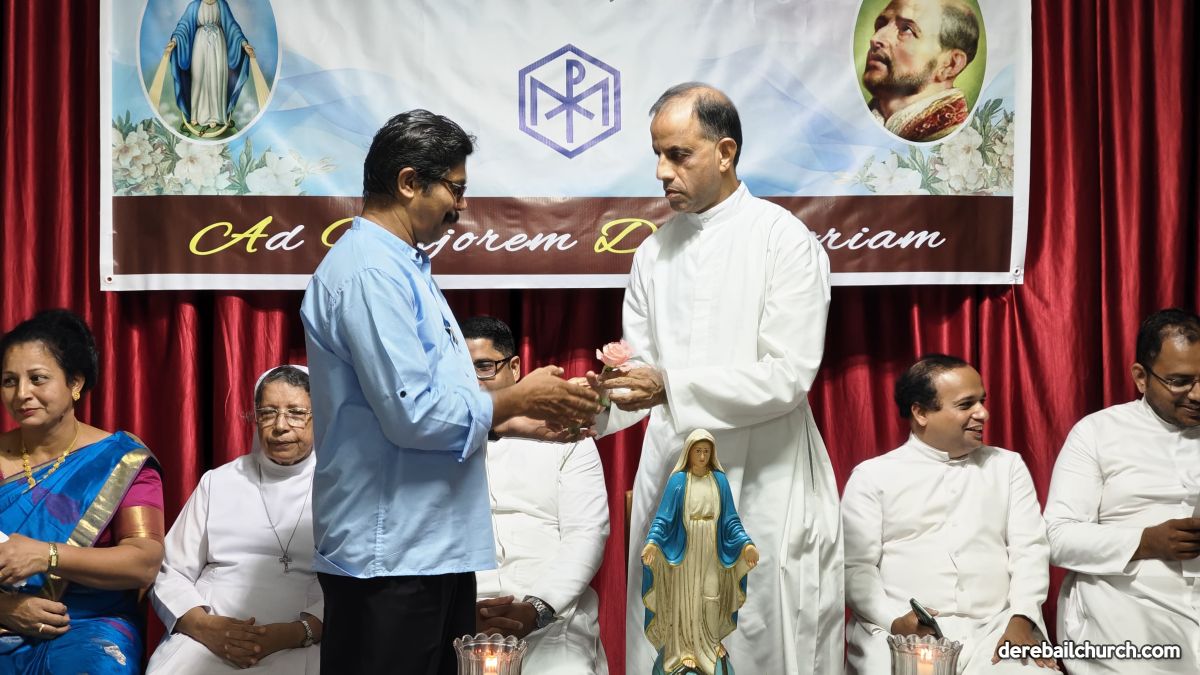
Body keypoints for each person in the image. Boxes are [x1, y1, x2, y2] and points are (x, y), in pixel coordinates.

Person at [300, 109, 601, 675]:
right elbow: (411, 415)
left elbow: (429, 397)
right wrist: (517, 398)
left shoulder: (405, 266)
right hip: (391, 556)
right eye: (455, 189)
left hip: (431, 547)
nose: (460, 207)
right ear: (409, 181)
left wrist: (509, 421)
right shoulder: (370, 272)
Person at [591, 83, 843, 675]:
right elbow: (641, 377)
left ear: (725, 152)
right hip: (671, 479)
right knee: (669, 636)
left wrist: (669, 387)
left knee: (759, 638)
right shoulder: (653, 253)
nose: (662, 171)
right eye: (658, 155)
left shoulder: (784, 240)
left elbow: (787, 375)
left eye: (678, 155)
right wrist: (594, 405)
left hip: (765, 481)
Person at [842, 355, 1054, 674]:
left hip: (996, 629)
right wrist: (895, 621)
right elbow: (856, 567)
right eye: (966, 404)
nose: (982, 413)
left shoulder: (1007, 466)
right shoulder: (873, 476)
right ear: (921, 412)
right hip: (902, 633)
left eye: (982, 401)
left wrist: (1022, 618)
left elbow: (1030, 550)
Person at [0, 309, 165, 674]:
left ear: (75, 382)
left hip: (90, 627)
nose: (22, 394)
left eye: (37, 378)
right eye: (9, 381)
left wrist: (47, 555)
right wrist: (5, 608)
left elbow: (144, 563)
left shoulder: (120, 459)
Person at [1044, 308, 1200, 674]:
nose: (1197, 395)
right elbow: (1056, 537)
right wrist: (1145, 541)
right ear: (1141, 377)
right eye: (1180, 381)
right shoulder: (1097, 432)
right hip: (1124, 600)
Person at [147, 365, 322, 674]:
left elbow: (353, 584)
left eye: (296, 413)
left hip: (301, 639)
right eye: (267, 413)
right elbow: (169, 570)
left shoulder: (337, 487)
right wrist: (205, 627)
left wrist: (296, 633)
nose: (280, 426)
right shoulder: (218, 482)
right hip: (208, 635)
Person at [461, 316, 610, 675]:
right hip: (462, 619)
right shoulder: (435, 441)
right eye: (460, 370)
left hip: (553, 618)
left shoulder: (563, 433)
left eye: (484, 366)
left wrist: (536, 608)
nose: (472, 381)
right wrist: (461, 615)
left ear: (514, 367)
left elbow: (586, 533)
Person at [641, 429, 758, 675]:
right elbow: (663, 519)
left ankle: (711, 643)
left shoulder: (719, 481)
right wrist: (652, 542)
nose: (702, 456)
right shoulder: (679, 481)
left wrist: (746, 544)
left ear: (712, 453)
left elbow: (730, 521)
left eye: (706, 451)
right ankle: (684, 649)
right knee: (686, 600)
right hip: (685, 552)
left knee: (711, 596)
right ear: (689, 452)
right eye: (698, 451)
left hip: (710, 549)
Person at [863, 0, 980, 141]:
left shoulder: (955, 140)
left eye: (906, 29)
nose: (875, 38)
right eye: (880, 25)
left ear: (950, 65)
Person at [165, 0, 255, 133]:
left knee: (216, 76)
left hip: (218, 44)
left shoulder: (221, 4)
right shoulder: (194, 6)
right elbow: (183, 26)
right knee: (198, 77)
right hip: (199, 43)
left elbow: (232, 27)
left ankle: (215, 116)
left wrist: (243, 43)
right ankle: (195, 114)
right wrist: (174, 41)